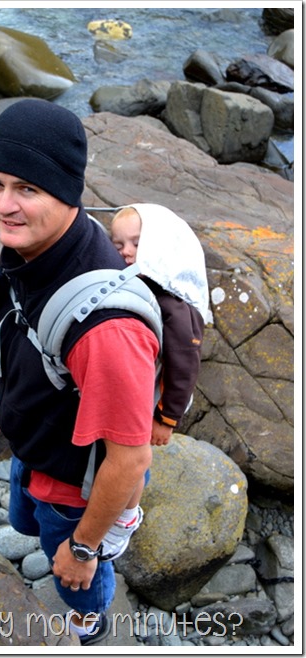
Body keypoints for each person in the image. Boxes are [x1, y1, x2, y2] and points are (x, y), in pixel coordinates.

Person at [0, 99, 159, 645]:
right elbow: (17, 324)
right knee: (26, 524)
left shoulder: (107, 329)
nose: (4, 205)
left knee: (76, 577)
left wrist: (82, 548)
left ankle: (91, 623)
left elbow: (131, 460)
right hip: (34, 445)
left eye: (27, 189)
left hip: (75, 492)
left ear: (67, 193)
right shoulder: (36, 247)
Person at [108, 203, 208, 546]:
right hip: (130, 385)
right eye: (118, 244)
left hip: (153, 395)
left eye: (136, 243)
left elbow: (185, 363)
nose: (126, 252)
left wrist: (167, 417)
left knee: (136, 453)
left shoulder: (172, 300)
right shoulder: (134, 282)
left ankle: (126, 514)